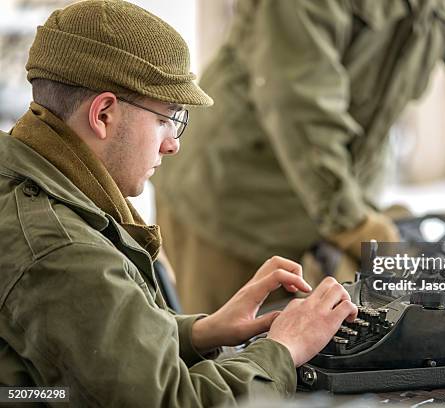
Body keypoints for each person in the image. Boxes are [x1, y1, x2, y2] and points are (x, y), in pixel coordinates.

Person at [0, 1, 358, 406]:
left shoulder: (28, 179)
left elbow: (90, 355)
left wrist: (198, 333)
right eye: (167, 117)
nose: (173, 144)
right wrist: (284, 348)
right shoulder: (63, 250)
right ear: (103, 115)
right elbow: (172, 402)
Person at [154, 0, 445, 314]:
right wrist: (351, 220)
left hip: (343, 194)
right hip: (237, 199)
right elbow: (300, 101)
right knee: (235, 367)